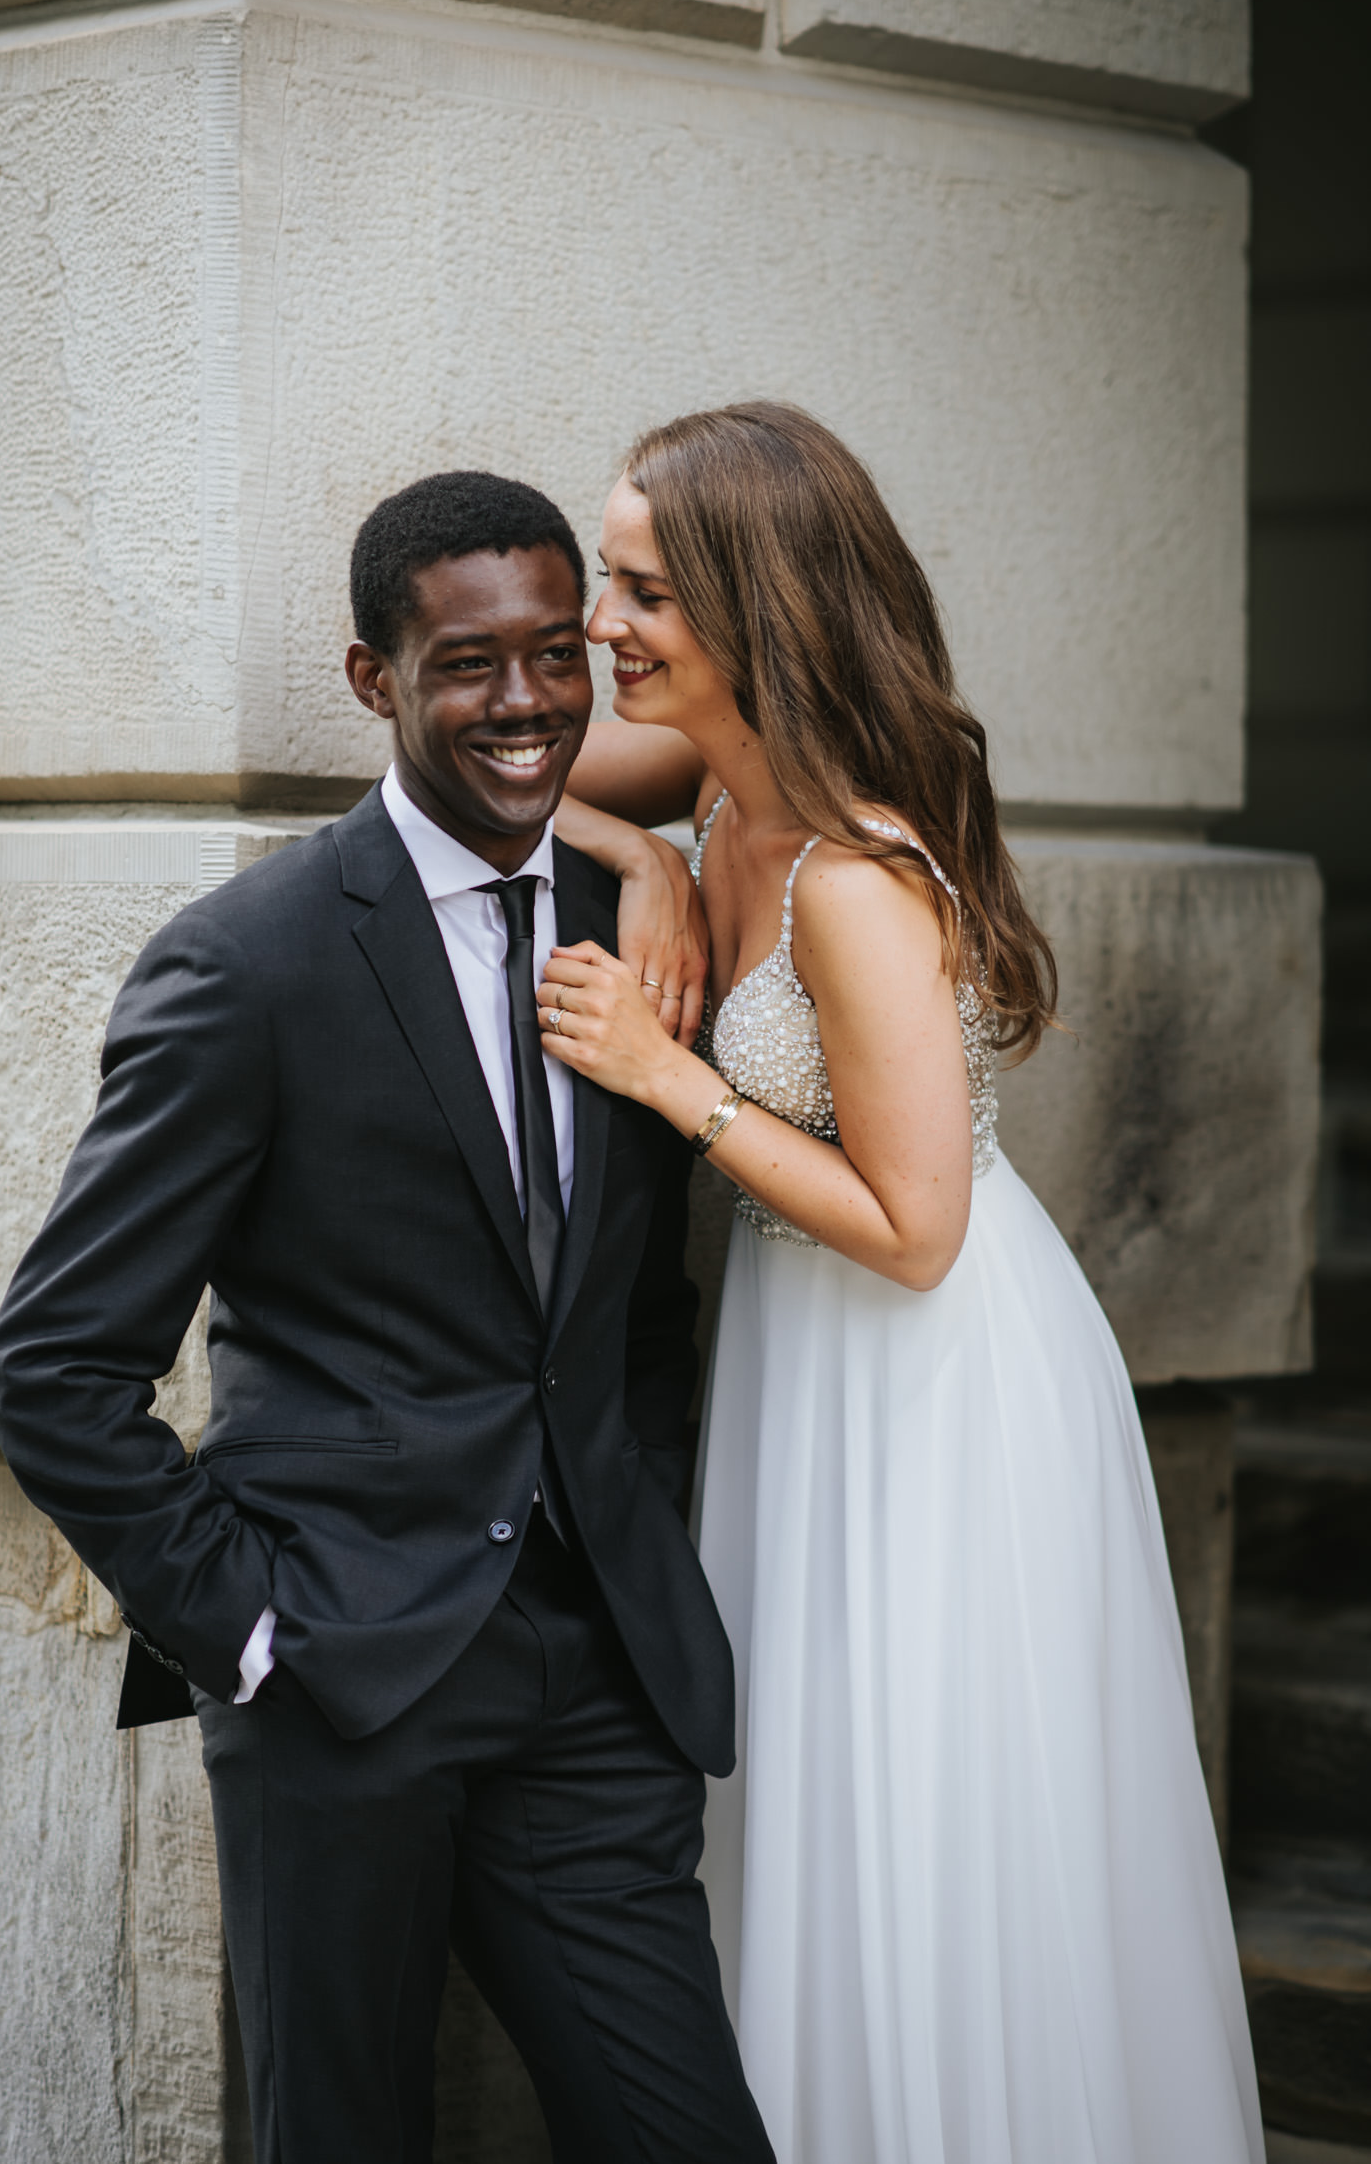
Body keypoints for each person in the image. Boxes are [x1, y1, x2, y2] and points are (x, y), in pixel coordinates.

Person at [0, 472, 773, 2164]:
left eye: (557, 654)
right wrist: (256, 1631)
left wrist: (630, 1538)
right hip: (341, 1680)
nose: (526, 702)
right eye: (471, 662)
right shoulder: (246, 964)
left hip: (595, 1687)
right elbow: (54, 1368)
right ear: (374, 678)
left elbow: (633, 1312)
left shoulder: (631, 934)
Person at [543, 404, 1266, 2164]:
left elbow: (920, 1224)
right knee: (813, 1798)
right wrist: (641, 855)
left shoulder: (856, 878)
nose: (600, 631)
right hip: (807, 1355)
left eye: (639, 592)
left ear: (750, 604)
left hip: (933, 1369)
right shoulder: (711, 781)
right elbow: (505, 762)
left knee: (927, 1813)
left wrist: (664, 1075)